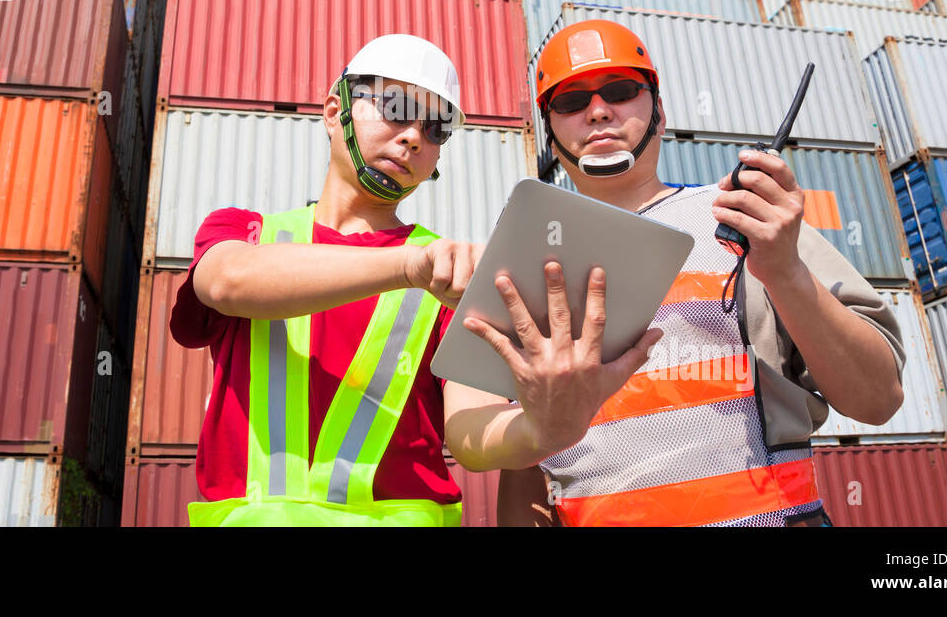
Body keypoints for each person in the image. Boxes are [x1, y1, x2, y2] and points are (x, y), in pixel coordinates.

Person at [169, 33, 660, 526]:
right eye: (396, 108)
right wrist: (408, 267)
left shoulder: (454, 276)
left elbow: (470, 430)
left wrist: (546, 429)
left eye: (436, 128)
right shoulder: (247, 232)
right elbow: (227, 283)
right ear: (333, 110)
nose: (413, 137)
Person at [494, 18, 906, 527]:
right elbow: (526, 460)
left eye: (620, 91)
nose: (598, 111)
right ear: (549, 130)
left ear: (659, 114)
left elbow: (877, 399)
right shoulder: (525, 261)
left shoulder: (748, 219)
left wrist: (785, 272)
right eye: (571, 102)